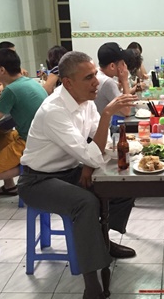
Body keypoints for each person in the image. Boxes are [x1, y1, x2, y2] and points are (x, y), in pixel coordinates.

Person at [18, 51, 138, 299]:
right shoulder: (54, 110)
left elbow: (96, 145)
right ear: (68, 82)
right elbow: (93, 150)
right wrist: (107, 115)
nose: (96, 81)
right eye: (89, 77)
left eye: (95, 74)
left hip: (71, 170)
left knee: (124, 183)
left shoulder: (86, 102)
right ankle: (91, 284)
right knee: (86, 203)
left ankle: (103, 239)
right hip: (38, 180)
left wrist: (87, 164)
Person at [0, 48, 47, 196]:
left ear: (2, 70)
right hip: (38, 137)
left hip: (29, 141)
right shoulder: (28, 82)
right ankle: (10, 186)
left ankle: (31, 170)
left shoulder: (12, 90)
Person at [94, 42, 134, 117]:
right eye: (122, 63)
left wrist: (120, 84)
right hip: (104, 127)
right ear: (112, 66)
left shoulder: (98, 74)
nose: (125, 66)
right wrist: (125, 81)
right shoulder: (107, 82)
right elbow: (127, 110)